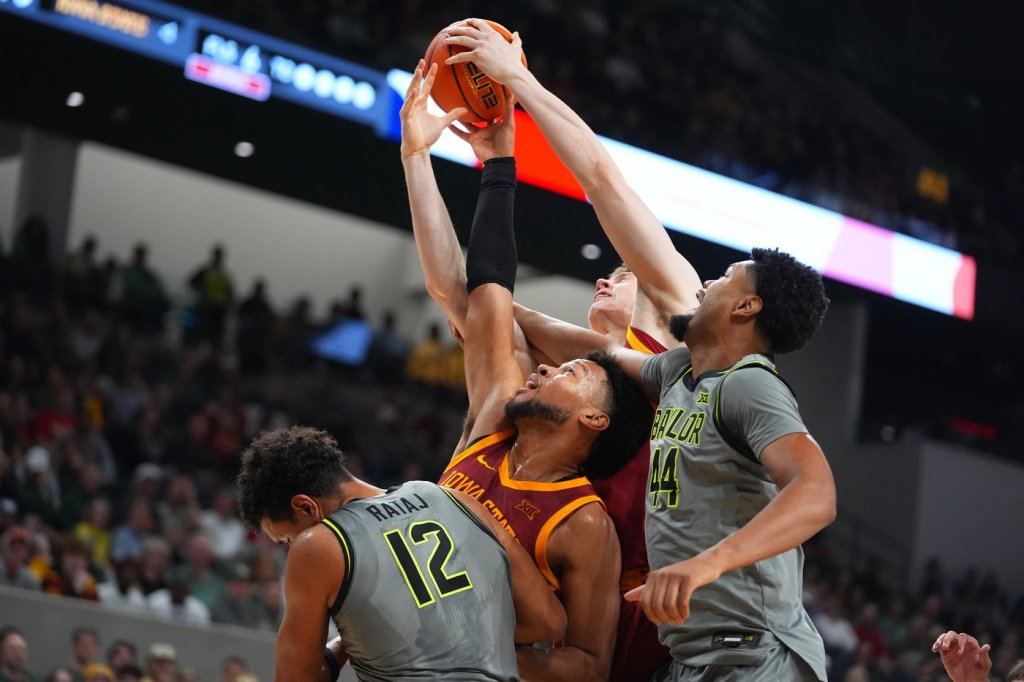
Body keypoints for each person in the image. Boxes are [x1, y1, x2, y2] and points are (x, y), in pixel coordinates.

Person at [446, 20, 837, 679]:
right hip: (688, 655)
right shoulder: (680, 371)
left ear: (746, 309)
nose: (706, 282)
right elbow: (592, 349)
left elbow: (818, 494)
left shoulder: (747, 381)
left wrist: (517, 80)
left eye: (724, 278)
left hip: (753, 651)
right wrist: (491, 303)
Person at [401, 60, 673, 681]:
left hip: (645, 604)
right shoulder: (545, 385)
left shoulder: (670, 380)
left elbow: (603, 184)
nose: (606, 279)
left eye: (624, 276)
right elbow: (464, 288)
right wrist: (429, 158)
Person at [236, 425, 566, 681]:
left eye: (286, 539)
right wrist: (467, 634)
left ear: (306, 507)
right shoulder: (454, 497)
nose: (292, 547)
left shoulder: (316, 545)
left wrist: (344, 646)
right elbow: (549, 622)